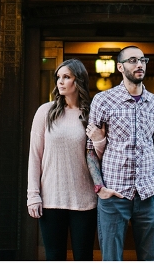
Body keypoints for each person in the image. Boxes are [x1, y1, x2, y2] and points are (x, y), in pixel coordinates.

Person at [85, 46, 154, 261]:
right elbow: (91, 149)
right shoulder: (103, 100)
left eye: (143, 60)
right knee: (112, 259)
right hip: (114, 194)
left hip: (147, 196)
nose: (139, 64)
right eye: (132, 60)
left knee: (151, 257)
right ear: (120, 67)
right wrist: (100, 188)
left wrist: (149, 178)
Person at [27, 59, 104, 260]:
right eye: (58, 77)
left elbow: (101, 157)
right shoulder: (45, 112)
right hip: (51, 198)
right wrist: (33, 195)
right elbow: (35, 155)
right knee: (54, 256)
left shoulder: (91, 114)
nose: (60, 82)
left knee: (84, 256)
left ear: (78, 80)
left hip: (85, 200)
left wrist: (99, 139)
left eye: (66, 77)